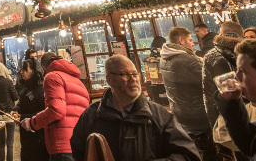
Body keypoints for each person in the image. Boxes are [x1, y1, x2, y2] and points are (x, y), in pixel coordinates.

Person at [71, 56, 200, 161]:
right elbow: (79, 153)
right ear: (109, 79)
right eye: (125, 75)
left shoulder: (158, 114)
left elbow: (188, 155)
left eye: (135, 74)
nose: (133, 79)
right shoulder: (91, 116)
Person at [160, 28, 217, 160]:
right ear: (181, 40)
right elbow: (210, 81)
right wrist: (203, 63)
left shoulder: (164, 58)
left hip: (181, 113)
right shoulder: (186, 59)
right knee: (210, 153)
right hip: (199, 115)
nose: (193, 44)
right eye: (190, 40)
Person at [20, 52, 89, 160]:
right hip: (79, 145)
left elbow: (56, 111)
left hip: (62, 146)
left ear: (43, 67)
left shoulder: (52, 77)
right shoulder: (79, 82)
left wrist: (32, 123)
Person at [202, 21, 245, 127]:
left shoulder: (211, 55)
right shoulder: (247, 52)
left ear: (221, 32)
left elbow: (209, 90)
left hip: (222, 114)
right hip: (248, 111)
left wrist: (213, 120)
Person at [11, 58, 48, 161]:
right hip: (26, 137)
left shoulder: (41, 89)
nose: (21, 72)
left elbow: (43, 113)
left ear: (33, 70)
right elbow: (21, 102)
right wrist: (16, 109)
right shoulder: (25, 87)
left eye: (24, 69)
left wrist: (22, 117)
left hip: (37, 138)